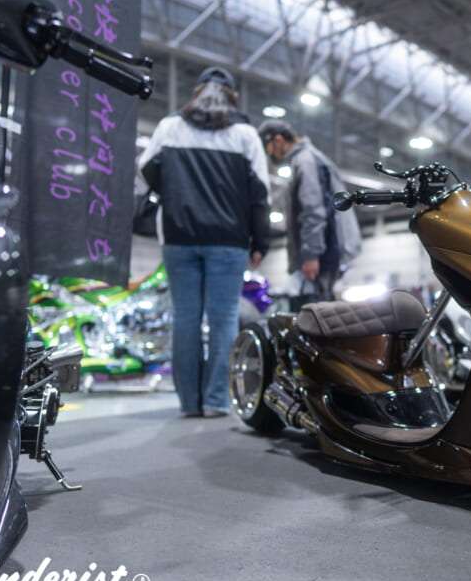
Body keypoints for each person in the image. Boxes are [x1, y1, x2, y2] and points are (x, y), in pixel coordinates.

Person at [139, 67, 270, 417]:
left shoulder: (170, 127)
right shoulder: (245, 135)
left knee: (185, 318)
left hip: (179, 236)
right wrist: (261, 241)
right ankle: (215, 400)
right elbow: (260, 193)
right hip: (228, 240)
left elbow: (147, 168)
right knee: (225, 318)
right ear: (232, 97)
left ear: (196, 93)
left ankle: (189, 402)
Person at [259, 120, 361, 302]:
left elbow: (313, 210)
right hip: (325, 251)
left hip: (323, 254)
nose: (270, 155)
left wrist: (311, 255)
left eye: (269, 149)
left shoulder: (306, 161)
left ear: (278, 140)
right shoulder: (310, 158)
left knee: (316, 317)